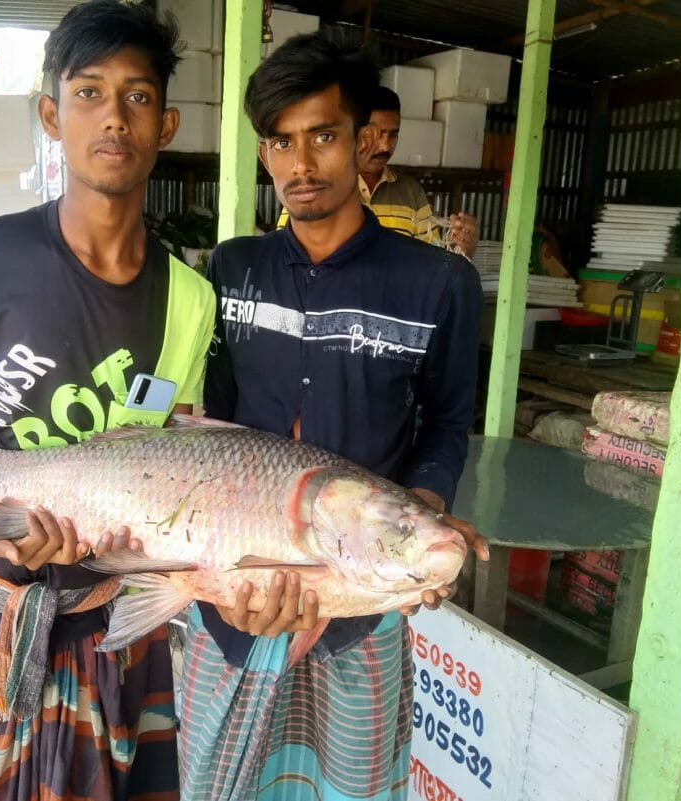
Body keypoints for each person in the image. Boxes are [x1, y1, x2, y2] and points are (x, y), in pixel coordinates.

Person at [0, 2, 214, 799]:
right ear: (51, 115)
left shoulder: (190, 298)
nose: (114, 118)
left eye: (136, 97)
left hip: (120, 612)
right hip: (4, 604)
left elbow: (173, 454)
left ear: (165, 123)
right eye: (90, 93)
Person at [179, 33, 489, 800]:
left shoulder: (438, 283)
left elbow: (449, 422)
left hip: (361, 607)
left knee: (353, 783)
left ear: (366, 142)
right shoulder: (230, 270)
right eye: (280, 142)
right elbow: (210, 420)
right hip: (234, 601)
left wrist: (425, 508)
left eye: (322, 135)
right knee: (219, 784)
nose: (301, 163)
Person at [277, 84, 480, 259]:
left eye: (393, 134)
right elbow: (288, 257)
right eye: (374, 134)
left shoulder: (411, 193)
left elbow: (430, 258)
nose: (384, 146)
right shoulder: (314, 188)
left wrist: (459, 250)